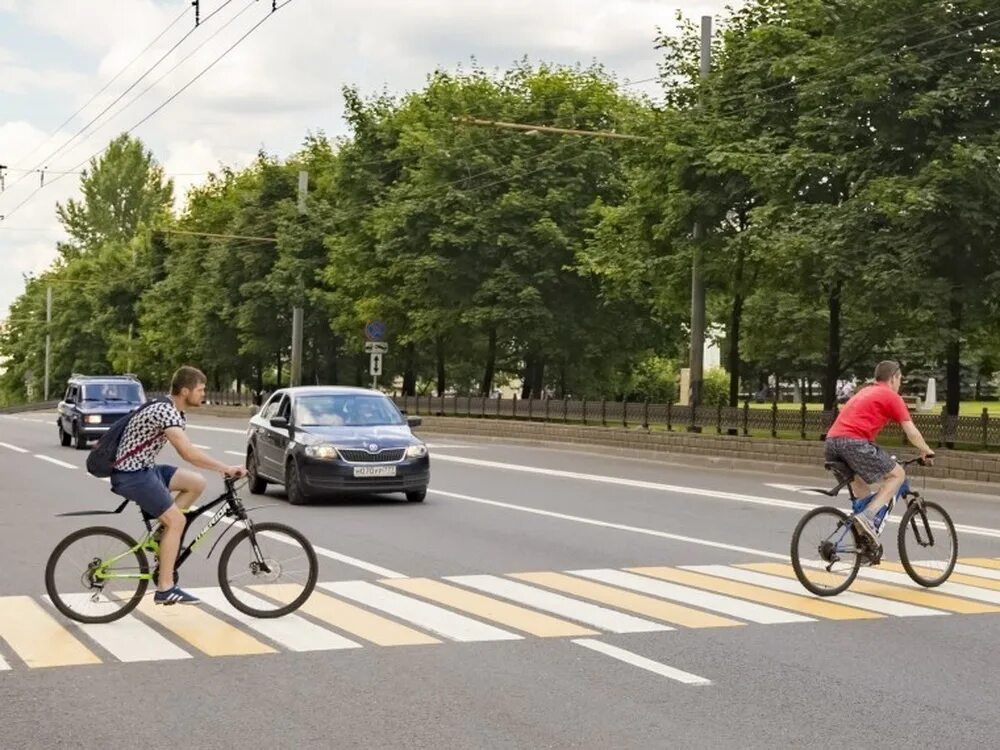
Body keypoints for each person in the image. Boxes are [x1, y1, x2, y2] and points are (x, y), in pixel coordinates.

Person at [110, 366, 245, 605]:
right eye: (200, 389)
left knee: (196, 482)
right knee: (177, 521)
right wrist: (225, 467)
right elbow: (188, 453)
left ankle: (162, 536)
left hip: (144, 469)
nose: (204, 394)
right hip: (132, 475)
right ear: (185, 391)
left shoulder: (173, 410)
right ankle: (165, 588)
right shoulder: (166, 412)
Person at [825, 360, 935, 542]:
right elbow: (911, 432)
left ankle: (863, 544)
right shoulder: (891, 396)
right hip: (853, 443)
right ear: (893, 378)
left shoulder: (864, 392)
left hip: (831, 443)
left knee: (860, 485)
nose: (900, 384)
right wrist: (926, 450)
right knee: (897, 476)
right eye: (900, 379)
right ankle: (867, 517)